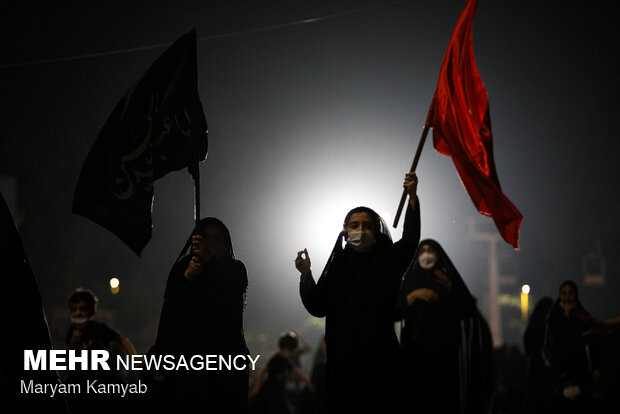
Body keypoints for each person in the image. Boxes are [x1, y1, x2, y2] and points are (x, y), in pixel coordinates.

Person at [295, 172, 420, 413]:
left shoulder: (388, 261)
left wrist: (413, 198)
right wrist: (306, 273)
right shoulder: (339, 266)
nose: (360, 230)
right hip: (342, 361)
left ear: (376, 231)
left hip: (381, 359)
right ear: (345, 230)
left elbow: (411, 238)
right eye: (354, 225)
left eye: (367, 226)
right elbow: (317, 305)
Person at [154, 217, 250, 413]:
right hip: (187, 362)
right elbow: (169, 311)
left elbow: (232, 294)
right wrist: (186, 278)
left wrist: (210, 261)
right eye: (205, 238)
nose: (211, 242)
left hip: (225, 361)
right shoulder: (183, 268)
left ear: (226, 243)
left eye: (217, 238)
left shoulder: (236, 269)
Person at [397, 239, 494, 414]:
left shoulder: (447, 281)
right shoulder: (409, 282)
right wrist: (413, 296)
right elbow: (395, 312)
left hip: (445, 354)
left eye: (431, 251)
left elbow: (467, 308)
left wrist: (450, 286)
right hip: (414, 353)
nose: (426, 255)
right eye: (423, 251)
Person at [64, 288, 138, 413]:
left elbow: (122, 339)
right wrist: (72, 343)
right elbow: (68, 356)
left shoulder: (98, 328)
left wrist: (134, 356)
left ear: (91, 311)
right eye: (74, 309)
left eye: (83, 309)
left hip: (102, 379)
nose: (78, 313)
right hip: (82, 382)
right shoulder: (72, 331)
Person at [542, 280, 603, 413]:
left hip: (579, 367)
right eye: (564, 294)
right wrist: (566, 316)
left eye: (570, 293)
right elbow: (555, 339)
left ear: (576, 295)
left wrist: (596, 366)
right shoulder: (554, 315)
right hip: (560, 369)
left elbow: (593, 342)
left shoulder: (583, 315)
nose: (567, 297)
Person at [249, 331, 314, 414]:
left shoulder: (284, 359)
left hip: (278, 390)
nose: (291, 353)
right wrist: (257, 387)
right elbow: (263, 371)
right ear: (286, 348)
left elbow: (296, 371)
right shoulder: (276, 359)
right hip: (271, 391)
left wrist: (308, 383)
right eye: (290, 351)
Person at [523, 296, 555, 414]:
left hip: (534, 373)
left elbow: (527, 349)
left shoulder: (532, 329)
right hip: (550, 375)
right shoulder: (552, 330)